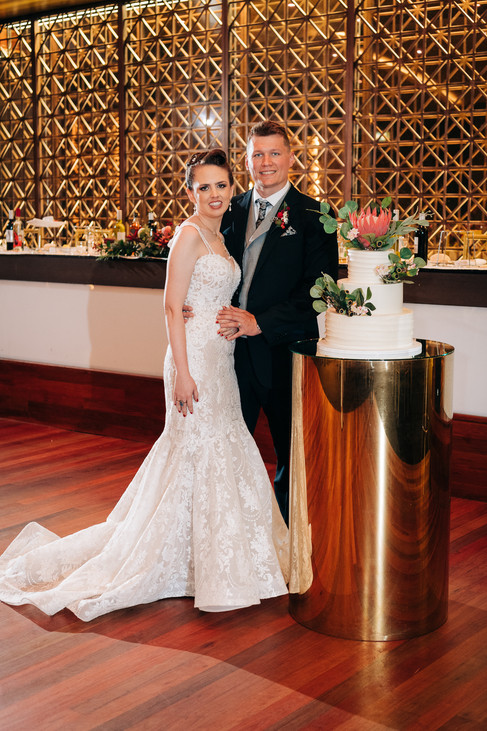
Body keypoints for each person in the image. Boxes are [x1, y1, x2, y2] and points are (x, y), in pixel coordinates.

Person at [0, 149, 289, 621]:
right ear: (190, 192)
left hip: (221, 358)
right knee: (195, 448)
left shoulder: (221, 235)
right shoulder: (189, 235)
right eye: (204, 186)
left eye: (221, 185)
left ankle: (217, 558)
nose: (214, 194)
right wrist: (183, 372)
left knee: (221, 447)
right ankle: (183, 561)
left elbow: (207, 293)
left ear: (232, 188)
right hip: (193, 361)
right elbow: (173, 307)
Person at [216, 121, 338, 523]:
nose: (265, 162)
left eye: (274, 153)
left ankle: (289, 540)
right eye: (257, 154)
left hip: (285, 353)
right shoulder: (229, 208)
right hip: (227, 353)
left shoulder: (315, 215)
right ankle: (233, 534)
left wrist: (261, 322)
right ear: (247, 160)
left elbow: (320, 290)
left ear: (290, 157)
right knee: (226, 448)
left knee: (291, 452)